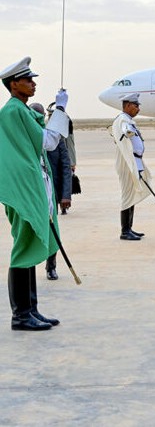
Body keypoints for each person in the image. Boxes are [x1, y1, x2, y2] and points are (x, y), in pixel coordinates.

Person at [0, 56, 69, 330]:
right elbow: (49, 142)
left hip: (32, 184)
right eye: (28, 80)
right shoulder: (14, 111)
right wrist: (61, 110)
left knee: (28, 247)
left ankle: (31, 310)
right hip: (24, 188)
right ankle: (20, 315)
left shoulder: (22, 110)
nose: (33, 84)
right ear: (14, 84)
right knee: (23, 249)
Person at [30, 103, 72, 281]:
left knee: (52, 230)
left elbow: (65, 166)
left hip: (50, 193)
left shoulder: (54, 138)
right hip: (32, 194)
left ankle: (51, 266)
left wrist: (65, 195)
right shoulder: (27, 137)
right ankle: (29, 264)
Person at [111, 93, 152, 241]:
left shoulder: (127, 119)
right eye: (136, 105)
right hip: (127, 163)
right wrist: (127, 132)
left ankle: (129, 228)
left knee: (132, 195)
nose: (138, 109)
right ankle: (125, 231)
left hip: (134, 162)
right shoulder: (123, 120)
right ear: (127, 105)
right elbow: (125, 131)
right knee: (127, 195)